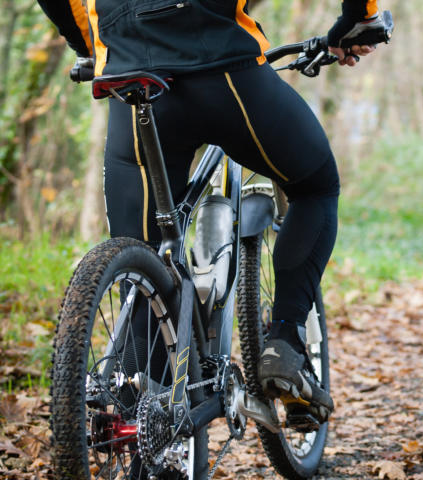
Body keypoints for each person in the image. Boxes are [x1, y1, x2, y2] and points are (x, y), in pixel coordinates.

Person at [36, 0, 379, 429]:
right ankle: (285, 343)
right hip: (224, 69)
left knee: (146, 267)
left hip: (129, 75)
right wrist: (357, 19)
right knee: (316, 186)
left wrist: (94, 43)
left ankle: (136, 415)